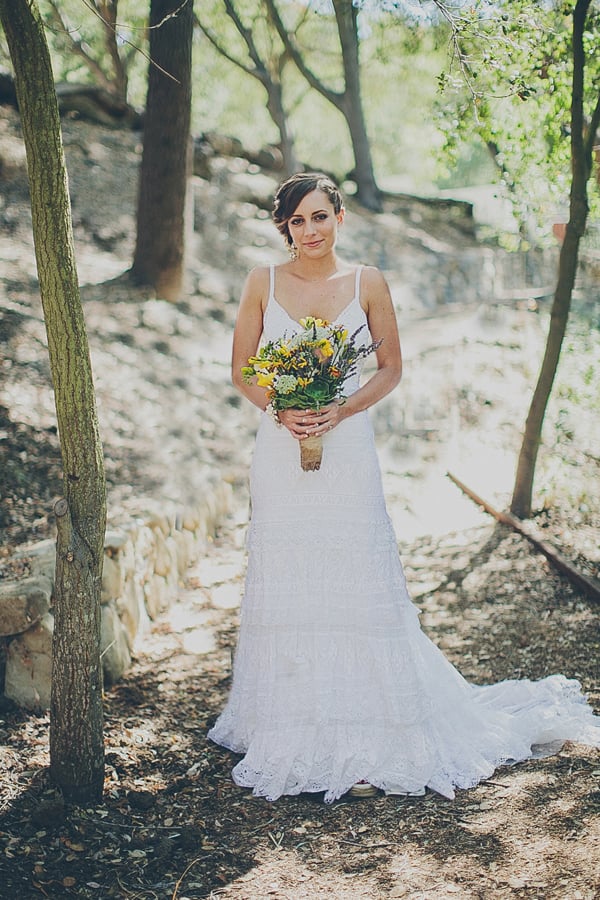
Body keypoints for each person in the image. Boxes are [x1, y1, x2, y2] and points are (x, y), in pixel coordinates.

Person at [208, 172, 600, 803]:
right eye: (297, 221)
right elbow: (241, 369)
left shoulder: (368, 283)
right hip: (281, 449)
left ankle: (372, 724)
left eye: (319, 217)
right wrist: (281, 410)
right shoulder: (263, 282)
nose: (309, 231)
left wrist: (340, 411)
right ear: (285, 227)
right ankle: (286, 718)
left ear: (340, 216)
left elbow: (390, 368)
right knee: (291, 570)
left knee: (356, 569)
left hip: (348, 444)